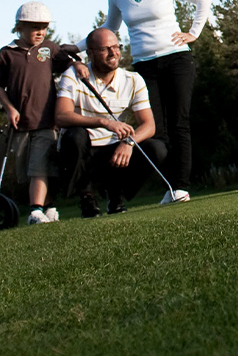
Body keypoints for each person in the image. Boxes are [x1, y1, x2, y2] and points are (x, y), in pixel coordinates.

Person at [104, 0, 206, 203]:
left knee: (179, 124)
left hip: (176, 60)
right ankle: (169, 187)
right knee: (155, 130)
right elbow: (109, 30)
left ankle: (180, 187)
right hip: (144, 66)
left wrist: (193, 33)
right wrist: (78, 47)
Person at [0, 2, 83, 225]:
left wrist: (77, 64)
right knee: (29, 170)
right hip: (21, 123)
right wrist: (9, 108)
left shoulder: (49, 48)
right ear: (20, 27)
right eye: (35, 28)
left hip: (46, 121)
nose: (40, 32)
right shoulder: (7, 53)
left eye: (43, 28)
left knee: (41, 167)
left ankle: (35, 211)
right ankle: (48, 207)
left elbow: (67, 63)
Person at [54, 28, 165, 215]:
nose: (114, 53)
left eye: (116, 47)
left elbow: (149, 125)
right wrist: (103, 122)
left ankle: (116, 195)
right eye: (106, 49)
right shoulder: (74, 75)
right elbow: (60, 116)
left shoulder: (133, 80)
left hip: (114, 150)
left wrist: (129, 143)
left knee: (157, 149)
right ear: (90, 53)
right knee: (76, 135)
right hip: (83, 149)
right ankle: (87, 196)